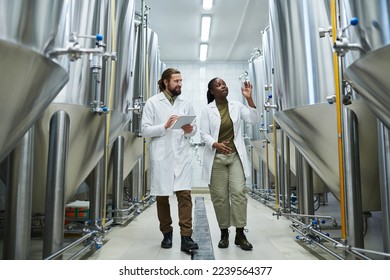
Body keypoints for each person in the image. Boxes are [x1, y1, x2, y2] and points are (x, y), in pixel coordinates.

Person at [141, 68, 199, 253]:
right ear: (166, 82)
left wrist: (190, 129)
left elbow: (194, 129)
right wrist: (165, 126)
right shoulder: (152, 103)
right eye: (176, 81)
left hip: (181, 155)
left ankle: (186, 236)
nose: (180, 84)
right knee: (162, 197)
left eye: (181, 80)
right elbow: (145, 130)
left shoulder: (186, 103)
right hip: (162, 155)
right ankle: (166, 233)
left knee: (185, 196)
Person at [199, 77, 260, 251]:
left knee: (239, 192)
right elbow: (203, 134)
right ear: (212, 91)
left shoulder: (237, 106)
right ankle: (224, 232)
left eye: (224, 83)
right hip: (216, 159)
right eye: (218, 85)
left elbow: (254, 120)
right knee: (220, 198)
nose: (223, 86)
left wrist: (249, 98)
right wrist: (215, 144)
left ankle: (240, 233)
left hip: (235, 157)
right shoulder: (207, 110)